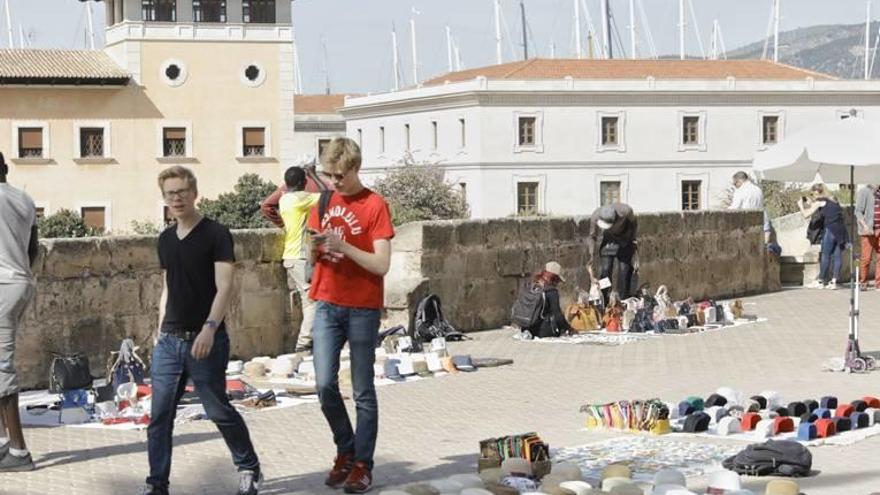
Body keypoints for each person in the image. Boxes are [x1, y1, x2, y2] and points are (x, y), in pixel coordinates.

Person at [145, 166, 262, 495]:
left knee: (217, 410)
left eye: (182, 191)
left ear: (194, 193)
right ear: (164, 199)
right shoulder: (165, 239)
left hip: (206, 339)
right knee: (159, 417)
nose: (177, 198)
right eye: (170, 193)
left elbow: (224, 287)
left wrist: (210, 329)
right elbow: (168, 286)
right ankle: (157, 484)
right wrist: (159, 329)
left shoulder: (216, 233)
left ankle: (248, 468)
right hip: (169, 341)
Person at [308, 137, 393, 494]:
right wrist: (316, 250)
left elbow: (381, 264)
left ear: (356, 169)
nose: (334, 182)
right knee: (324, 385)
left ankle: (362, 464)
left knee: (362, 391)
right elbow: (312, 257)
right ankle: (346, 449)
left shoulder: (375, 205)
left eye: (340, 175)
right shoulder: (324, 200)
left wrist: (345, 247)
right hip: (326, 302)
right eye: (329, 175)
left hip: (362, 307)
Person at [0, 151, 39, 472]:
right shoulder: (23, 198)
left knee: (1, 368)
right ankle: (2, 444)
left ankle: (19, 451)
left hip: (1, 285)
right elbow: (33, 248)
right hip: (21, 282)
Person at [278, 166, 320, 352]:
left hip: (291, 255)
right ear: (303, 182)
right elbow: (329, 195)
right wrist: (314, 175)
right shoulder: (300, 199)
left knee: (308, 300)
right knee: (312, 301)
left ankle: (309, 343)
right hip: (300, 256)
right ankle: (303, 344)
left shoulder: (285, 198)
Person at [799, 183, 848, 290]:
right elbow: (824, 207)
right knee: (837, 256)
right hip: (841, 230)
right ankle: (834, 282)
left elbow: (806, 214)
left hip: (830, 229)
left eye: (812, 193)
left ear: (817, 192)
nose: (812, 196)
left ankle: (820, 281)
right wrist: (811, 202)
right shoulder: (833, 200)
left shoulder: (820, 202)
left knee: (825, 255)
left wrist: (801, 205)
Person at [587, 202, 638, 304]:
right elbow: (592, 236)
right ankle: (605, 298)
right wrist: (591, 255)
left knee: (624, 269)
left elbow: (634, 224)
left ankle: (623, 299)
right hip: (609, 239)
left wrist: (632, 240)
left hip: (625, 238)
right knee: (605, 269)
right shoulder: (596, 216)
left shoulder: (626, 211)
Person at [261, 161, 328, 228]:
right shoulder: (305, 195)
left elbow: (266, 206)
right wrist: (314, 175)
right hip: (312, 231)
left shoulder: (283, 198)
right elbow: (327, 195)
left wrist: (282, 224)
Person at [522, 262, 572, 339]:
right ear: (554, 278)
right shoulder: (551, 291)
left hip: (528, 328)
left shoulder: (532, 285)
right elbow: (557, 315)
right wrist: (568, 328)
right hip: (543, 331)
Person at [729, 171, 771, 243]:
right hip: (758, 224)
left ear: (739, 181)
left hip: (745, 226)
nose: (735, 186)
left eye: (735, 183)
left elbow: (734, 209)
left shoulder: (740, 191)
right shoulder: (758, 190)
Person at [855, 183, 880, 290]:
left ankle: (878, 283)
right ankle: (863, 282)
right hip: (868, 230)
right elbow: (858, 211)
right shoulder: (864, 191)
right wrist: (864, 226)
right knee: (866, 258)